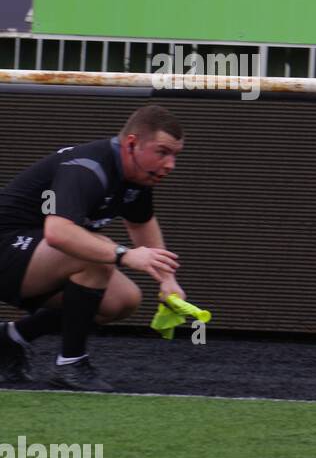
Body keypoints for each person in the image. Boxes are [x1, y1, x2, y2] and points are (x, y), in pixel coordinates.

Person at [0, 104, 187, 391]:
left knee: (122, 300)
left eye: (175, 155)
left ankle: (11, 337)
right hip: (7, 247)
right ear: (132, 144)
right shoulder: (88, 167)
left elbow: (141, 224)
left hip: (28, 257)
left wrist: (167, 280)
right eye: (162, 152)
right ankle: (71, 363)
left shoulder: (137, 178)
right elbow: (59, 233)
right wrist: (123, 255)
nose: (170, 164)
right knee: (98, 255)